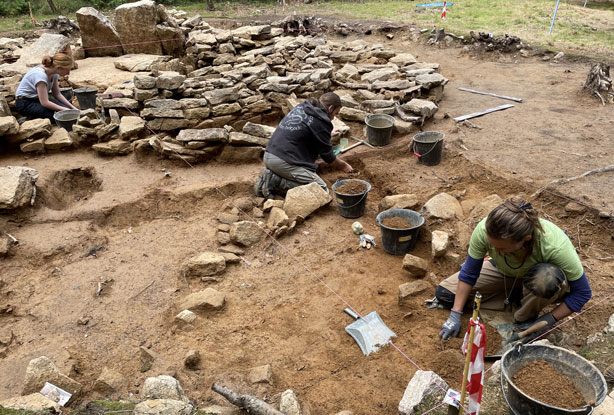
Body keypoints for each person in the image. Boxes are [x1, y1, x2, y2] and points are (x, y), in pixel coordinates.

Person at [437, 197, 592, 341]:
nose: (495, 251)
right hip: (503, 272)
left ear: (526, 239)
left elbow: (582, 293)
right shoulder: (485, 230)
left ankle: (525, 316)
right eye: (492, 246)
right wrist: (455, 314)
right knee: (446, 294)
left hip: (542, 279)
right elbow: (469, 273)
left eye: (501, 248)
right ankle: (517, 298)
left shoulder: (554, 246)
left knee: (546, 279)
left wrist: (548, 320)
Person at [255, 92, 353, 198]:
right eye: (335, 113)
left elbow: (305, 129)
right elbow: (328, 156)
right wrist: (344, 165)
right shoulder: (321, 122)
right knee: (321, 189)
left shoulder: (303, 107)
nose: (334, 118)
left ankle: (272, 177)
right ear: (330, 108)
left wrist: (326, 134)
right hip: (282, 162)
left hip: (269, 154)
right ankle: (275, 181)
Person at [15, 51, 78, 123]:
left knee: (67, 111)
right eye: (67, 70)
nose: (68, 73)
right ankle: (28, 120)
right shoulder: (40, 75)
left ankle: (36, 115)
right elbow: (44, 102)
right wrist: (65, 110)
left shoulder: (54, 74)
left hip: (37, 99)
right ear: (59, 68)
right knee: (57, 116)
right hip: (25, 103)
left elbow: (57, 94)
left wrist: (72, 108)